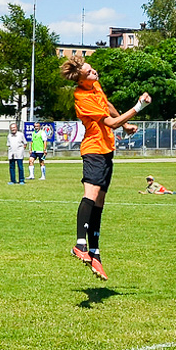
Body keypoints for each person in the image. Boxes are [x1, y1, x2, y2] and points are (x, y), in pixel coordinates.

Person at [60, 56, 151, 281]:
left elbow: (107, 106)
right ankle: (80, 243)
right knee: (90, 195)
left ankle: (95, 251)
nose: (94, 73)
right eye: (89, 73)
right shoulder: (82, 97)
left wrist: (125, 123)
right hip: (93, 150)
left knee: (99, 203)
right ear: (81, 80)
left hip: (107, 150)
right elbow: (109, 123)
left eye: (93, 70)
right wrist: (138, 107)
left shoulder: (95, 85)